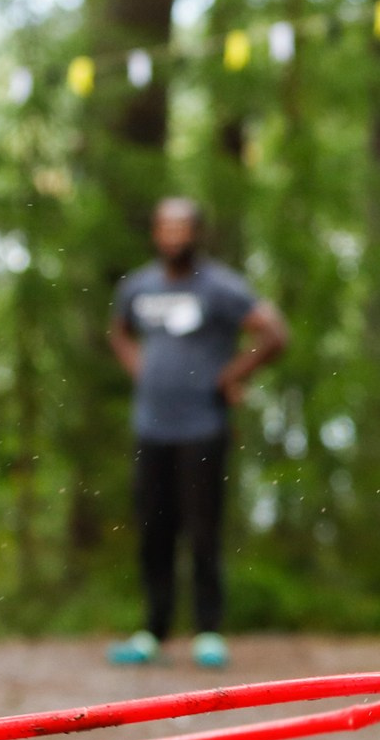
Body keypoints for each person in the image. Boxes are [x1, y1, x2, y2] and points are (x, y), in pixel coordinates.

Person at [106, 198, 288, 670]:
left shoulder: (221, 287)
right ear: (154, 234)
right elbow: (118, 332)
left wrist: (233, 376)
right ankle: (153, 630)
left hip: (203, 427)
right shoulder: (138, 287)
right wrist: (139, 370)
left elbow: (275, 334)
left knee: (202, 531)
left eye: (181, 227)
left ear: (197, 233)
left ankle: (208, 632)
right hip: (152, 426)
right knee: (153, 530)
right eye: (164, 227)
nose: (173, 236)